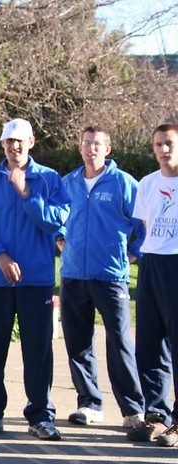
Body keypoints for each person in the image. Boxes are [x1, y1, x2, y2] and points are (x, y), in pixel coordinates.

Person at [0, 118, 68, 440]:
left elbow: (57, 222)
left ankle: (40, 414)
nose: (14, 147)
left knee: (37, 349)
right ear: (2, 145)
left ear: (31, 142)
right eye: (8, 141)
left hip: (35, 278)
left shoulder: (50, 179)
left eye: (20, 141)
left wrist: (26, 193)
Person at [59, 126, 146, 429]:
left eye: (97, 144)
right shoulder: (67, 182)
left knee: (120, 342)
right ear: (80, 148)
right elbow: (56, 217)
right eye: (86, 143)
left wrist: (133, 254)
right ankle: (89, 403)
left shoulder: (123, 183)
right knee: (78, 343)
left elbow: (145, 223)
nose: (90, 148)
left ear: (107, 149)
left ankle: (133, 410)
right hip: (72, 275)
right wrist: (60, 239)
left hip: (110, 276)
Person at [127, 123, 178, 447]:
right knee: (150, 343)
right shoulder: (147, 184)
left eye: (170, 143)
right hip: (152, 262)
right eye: (159, 144)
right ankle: (157, 416)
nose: (164, 149)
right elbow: (146, 227)